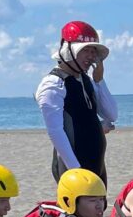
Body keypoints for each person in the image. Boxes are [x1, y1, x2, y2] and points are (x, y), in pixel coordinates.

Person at [36, 21, 116, 183]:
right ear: (68, 50)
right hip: (73, 167)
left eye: (93, 51)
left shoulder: (86, 80)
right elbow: (56, 132)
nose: (91, 56)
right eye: (85, 50)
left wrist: (99, 81)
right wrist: (76, 171)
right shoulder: (54, 84)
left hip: (97, 164)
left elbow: (112, 114)